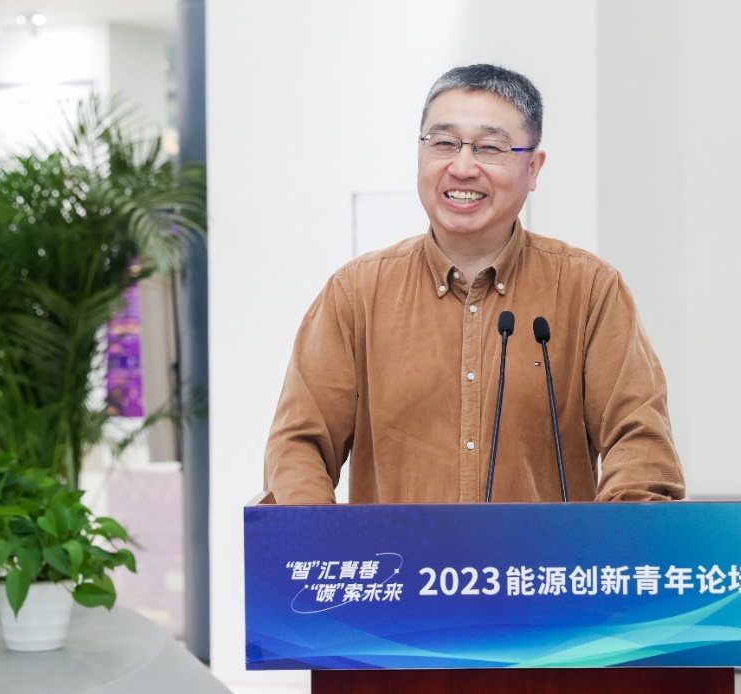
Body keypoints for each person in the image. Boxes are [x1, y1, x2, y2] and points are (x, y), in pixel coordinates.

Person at [265, 64, 684, 505]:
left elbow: (639, 442)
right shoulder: (356, 294)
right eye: (443, 143)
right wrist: (317, 535)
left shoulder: (590, 290)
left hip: (543, 553)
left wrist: (617, 532)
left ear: (533, 167)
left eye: (489, 148)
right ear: (420, 155)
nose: (462, 168)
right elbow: (298, 446)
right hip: (399, 552)